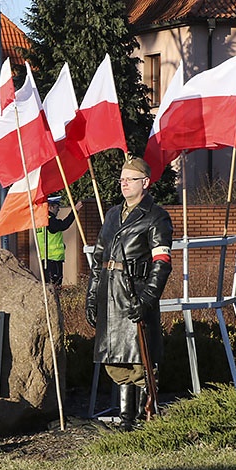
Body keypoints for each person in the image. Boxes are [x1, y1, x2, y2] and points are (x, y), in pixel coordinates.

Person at [85, 157, 173, 431]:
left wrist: (148, 298)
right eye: (122, 179)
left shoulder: (157, 216)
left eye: (130, 179)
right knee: (117, 360)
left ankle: (145, 420)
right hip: (110, 295)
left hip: (135, 293)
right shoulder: (112, 215)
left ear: (145, 182)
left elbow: (162, 263)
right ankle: (125, 421)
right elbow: (100, 256)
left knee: (141, 361)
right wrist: (91, 295)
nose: (124, 183)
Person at [35, 196, 84, 286]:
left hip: (46, 258)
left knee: (49, 285)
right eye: (57, 207)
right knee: (55, 286)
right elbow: (64, 225)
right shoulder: (49, 220)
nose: (58, 210)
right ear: (50, 207)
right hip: (53, 259)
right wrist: (75, 211)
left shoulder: (41, 220)